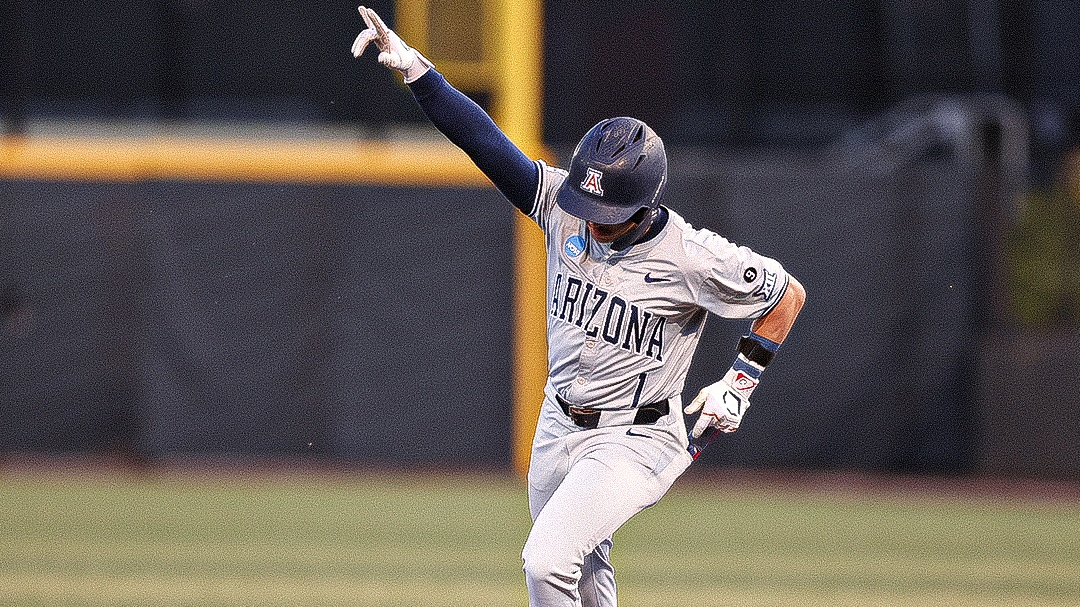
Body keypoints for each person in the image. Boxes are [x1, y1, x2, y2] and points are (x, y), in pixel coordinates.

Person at [351, 7, 806, 606]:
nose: (593, 223)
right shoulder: (564, 207)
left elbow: (785, 293)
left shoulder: (691, 256)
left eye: (609, 216)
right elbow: (487, 145)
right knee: (587, 580)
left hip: (634, 437)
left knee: (545, 564)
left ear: (643, 204)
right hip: (558, 423)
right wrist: (418, 73)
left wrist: (740, 381)